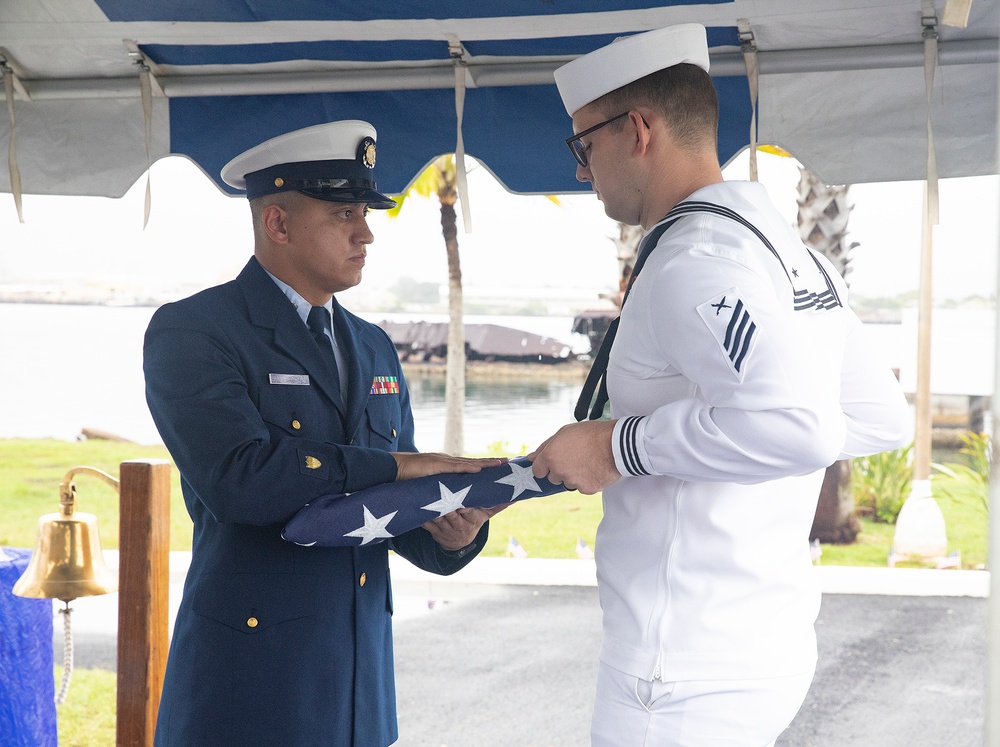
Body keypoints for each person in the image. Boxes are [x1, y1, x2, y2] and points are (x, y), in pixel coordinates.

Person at [529, 24, 911, 746]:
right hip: (763, 645)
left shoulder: (693, 262)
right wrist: (735, 448)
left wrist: (619, 444)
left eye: (584, 145)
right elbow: (876, 416)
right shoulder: (793, 257)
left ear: (637, 130)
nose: (582, 170)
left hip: (680, 674)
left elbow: (800, 427)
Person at [143, 120, 501, 746]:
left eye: (363, 212)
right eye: (342, 214)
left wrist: (453, 532)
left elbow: (391, 512)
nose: (365, 232)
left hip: (360, 696)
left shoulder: (373, 346)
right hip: (249, 694)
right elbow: (241, 482)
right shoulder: (197, 331)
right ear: (276, 223)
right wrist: (397, 470)